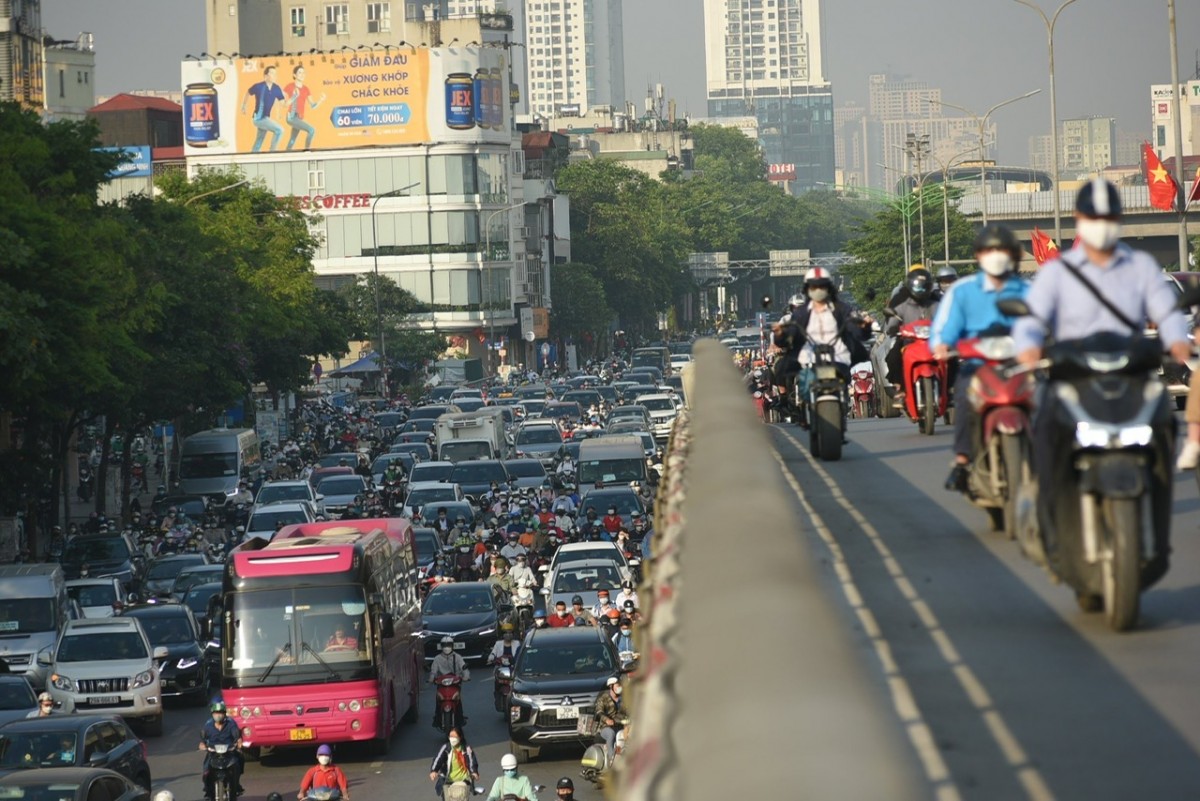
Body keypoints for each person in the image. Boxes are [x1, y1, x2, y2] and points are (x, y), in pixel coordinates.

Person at [1013, 179, 1189, 582]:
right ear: (1080, 221)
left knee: (1162, 427)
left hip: (1132, 376)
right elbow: (1032, 320)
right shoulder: (1057, 272)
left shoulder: (1140, 267)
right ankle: (1051, 527)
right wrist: (1027, 347)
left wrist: (1177, 340)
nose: (1102, 225)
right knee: (1044, 435)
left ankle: (1157, 539)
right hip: (1072, 377)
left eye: (1108, 217)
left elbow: (1166, 310)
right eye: (1094, 217)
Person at [930, 225, 1030, 491]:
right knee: (963, 398)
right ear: (979, 255)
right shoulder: (961, 291)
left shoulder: (1027, 290)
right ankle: (963, 460)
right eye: (989, 250)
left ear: (1013, 255)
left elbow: (1047, 323)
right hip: (977, 366)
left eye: (1002, 250)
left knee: (1050, 398)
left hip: (1020, 366)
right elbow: (944, 328)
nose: (996, 255)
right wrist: (941, 345)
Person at [773, 268, 868, 430]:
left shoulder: (842, 309)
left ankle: (844, 399)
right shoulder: (801, 313)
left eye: (822, 286)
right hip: (809, 356)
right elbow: (786, 337)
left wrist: (863, 325)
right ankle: (799, 405)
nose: (818, 291)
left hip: (837, 355)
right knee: (782, 367)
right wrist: (780, 335)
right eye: (814, 287)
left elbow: (856, 329)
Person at [884, 268, 940, 394]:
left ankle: (949, 387)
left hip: (934, 343)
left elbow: (948, 319)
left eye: (923, 286)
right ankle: (901, 387)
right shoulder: (904, 305)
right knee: (893, 358)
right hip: (909, 342)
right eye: (917, 286)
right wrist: (894, 329)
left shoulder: (936, 304)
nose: (920, 290)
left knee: (953, 359)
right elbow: (892, 324)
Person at [199, 701, 243, 800]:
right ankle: (207, 789)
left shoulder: (231, 724)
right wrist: (202, 744)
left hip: (229, 753)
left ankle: (237, 785)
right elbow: (203, 739)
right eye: (216, 713)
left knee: (239, 761)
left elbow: (236, 736)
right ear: (212, 714)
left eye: (220, 713)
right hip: (213, 753)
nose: (218, 715)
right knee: (206, 769)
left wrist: (239, 742)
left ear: (224, 714)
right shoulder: (208, 725)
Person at [241, 64, 286, 152]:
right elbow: (248, 92)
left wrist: (294, 98)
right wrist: (244, 105)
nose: (274, 75)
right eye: (272, 73)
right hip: (258, 118)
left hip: (266, 118)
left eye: (275, 73)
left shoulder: (276, 88)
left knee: (259, 140)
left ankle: (253, 156)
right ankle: (272, 153)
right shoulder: (258, 86)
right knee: (280, 130)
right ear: (266, 76)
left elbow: (283, 103)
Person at [429, 636, 470, 727]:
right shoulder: (437, 658)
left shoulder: (458, 657)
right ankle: (437, 718)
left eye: (449, 645)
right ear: (441, 646)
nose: (446, 647)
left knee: (458, 701)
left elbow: (464, 668)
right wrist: (431, 679)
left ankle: (460, 718)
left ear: (452, 646)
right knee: (438, 701)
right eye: (444, 645)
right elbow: (433, 671)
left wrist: (466, 677)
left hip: (455, 684)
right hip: (441, 684)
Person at [283, 65, 326, 151]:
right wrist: (294, 96)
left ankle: (286, 153)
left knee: (292, 140)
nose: (302, 74)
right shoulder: (289, 86)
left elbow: (313, 106)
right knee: (311, 130)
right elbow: (285, 104)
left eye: (303, 72)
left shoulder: (306, 89)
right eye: (300, 72)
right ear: (294, 75)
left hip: (299, 117)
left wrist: (320, 100)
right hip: (291, 116)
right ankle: (307, 151)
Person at [429, 729, 480, 800]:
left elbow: (472, 761)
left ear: (460, 737)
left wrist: (474, 772)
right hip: (447, 781)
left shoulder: (467, 748)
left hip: (463, 781)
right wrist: (433, 771)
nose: (452, 738)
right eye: (450, 736)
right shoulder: (446, 748)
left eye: (454, 736)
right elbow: (438, 759)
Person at [592, 676, 627, 762]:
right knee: (611, 734)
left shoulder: (623, 699)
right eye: (617, 685)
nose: (620, 687)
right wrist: (607, 720)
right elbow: (599, 711)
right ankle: (612, 758)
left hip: (620, 725)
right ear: (611, 686)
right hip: (606, 727)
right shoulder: (603, 698)